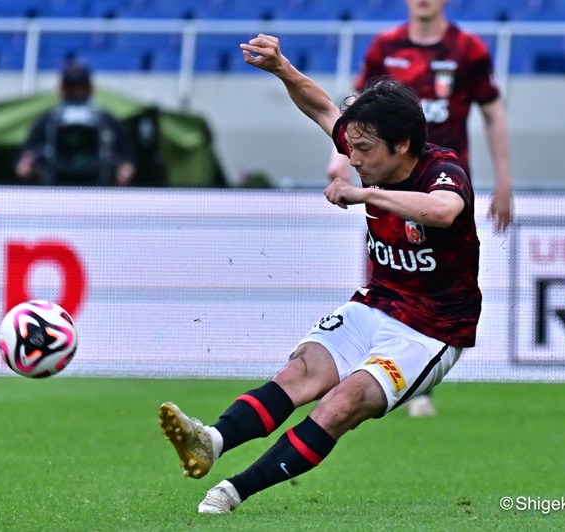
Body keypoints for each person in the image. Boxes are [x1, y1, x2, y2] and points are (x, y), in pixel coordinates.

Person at [158, 33, 482, 514]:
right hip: (378, 302)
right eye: (351, 147)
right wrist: (282, 67)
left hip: (431, 330)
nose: (353, 159)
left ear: (403, 145)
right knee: (302, 372)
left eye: (365, 150)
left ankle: (234, 492)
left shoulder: (442, 171)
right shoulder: (370, 152)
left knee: (341, 404)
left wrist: (366, 195)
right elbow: (321, 108)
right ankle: (213, 440)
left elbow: (443, 211)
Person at [326, 0, 513, 416]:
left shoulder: (468, 49)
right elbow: (356, 112)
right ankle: (376, 362)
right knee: (386, 267)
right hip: (386, 174)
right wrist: (344, 158)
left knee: (438, 271)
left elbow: (493, 114)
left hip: (441, 182)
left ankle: (418, 380)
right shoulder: (385, 47)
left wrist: (504, 181)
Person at [15, 60, 136, 186]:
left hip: (97, 190)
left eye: (81, 86)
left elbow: (127, 160)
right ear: (61, 88)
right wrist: (27, 164)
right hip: (56, 189)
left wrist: (124, 169)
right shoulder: (47, 121)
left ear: (90, 87)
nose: (76, 91)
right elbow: (23, 164)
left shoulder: (107, 121)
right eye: (71, 87)